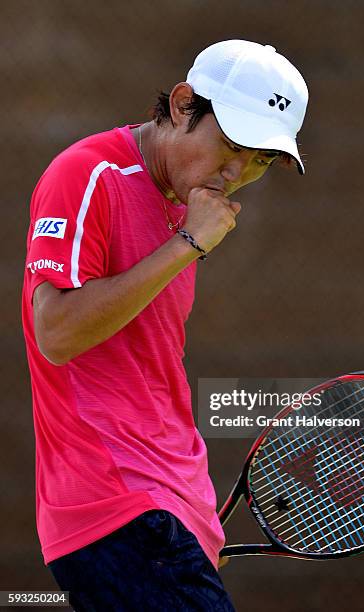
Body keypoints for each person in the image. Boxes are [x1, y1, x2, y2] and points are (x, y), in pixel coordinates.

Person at [21, 39, 308, 611]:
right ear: (182, 106)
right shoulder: (89, 173)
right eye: (230, 145)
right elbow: (54, 334)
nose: (236, 171)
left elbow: (147, 373)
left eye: (260, 160)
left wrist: (192, 507)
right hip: (115, 505)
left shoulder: (185, 202)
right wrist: (187, 244)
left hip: (167, 508)